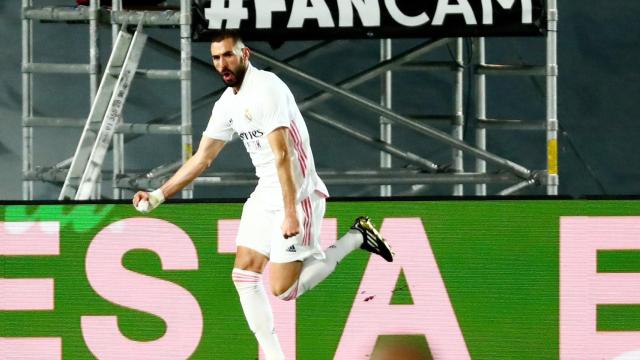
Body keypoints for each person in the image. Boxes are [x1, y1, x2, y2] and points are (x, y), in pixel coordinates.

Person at [132, 31, 394, 360]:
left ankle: (358, 236)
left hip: (298, 195)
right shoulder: (228, 103)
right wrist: (158, 195)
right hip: (265, 194)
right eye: (215, 58)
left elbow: (283, 156)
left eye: (228, 55)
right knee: (243, 275)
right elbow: (202, 158)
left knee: (284, 290)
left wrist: (289, 212)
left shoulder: (267, 89)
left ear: (245, 54)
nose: (221, 64)